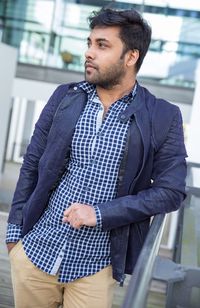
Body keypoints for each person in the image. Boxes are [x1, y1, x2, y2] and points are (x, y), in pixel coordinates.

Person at [6, 7, 187, 308]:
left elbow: (171, 192)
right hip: (36, 252)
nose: (89, 52)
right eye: (89, 43)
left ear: (131, 56)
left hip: (96, 265)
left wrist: (101, 213)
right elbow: (32, 164)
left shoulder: (163, 116)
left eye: (102, 45)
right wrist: (14, 236)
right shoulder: (64, 97)